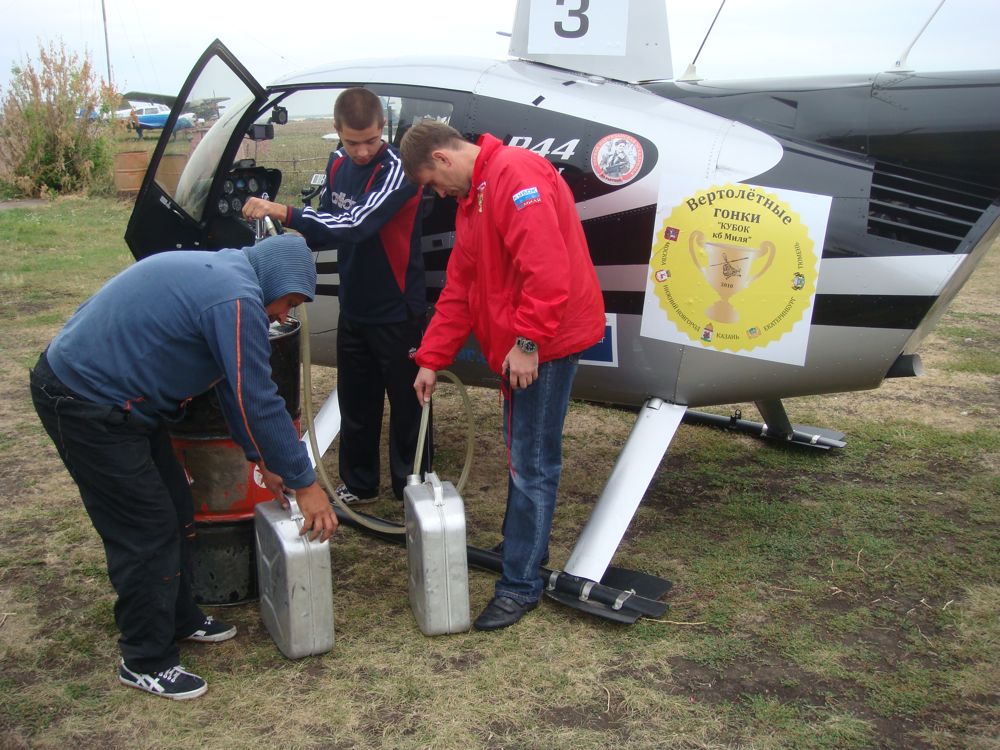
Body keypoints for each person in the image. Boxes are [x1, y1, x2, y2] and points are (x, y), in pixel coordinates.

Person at [29, 234, 337, 700]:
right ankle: (145, 659)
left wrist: (263, 458)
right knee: (146, 529)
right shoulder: (235, 298)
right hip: (83, 401)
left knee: (176, 507)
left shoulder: (230, 279)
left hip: (126, 402)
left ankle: (178, 617)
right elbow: (257, 398)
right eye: (289, 302)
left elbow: (231, 385)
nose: (284, 315)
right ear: (274, 280)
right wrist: (305, 483)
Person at [399, 121, 606, 631]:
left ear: (443, 158)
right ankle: (523, 547)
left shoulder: (514, 176)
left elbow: (547, 270)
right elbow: (461, 285)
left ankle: (520, 584)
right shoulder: (476, 196)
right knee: (521, 452)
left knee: (531, 461)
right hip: (524, 346)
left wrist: (529, 343)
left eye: (433, 183)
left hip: (545, 345)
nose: (438, 194)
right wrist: (432, 357)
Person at [243, 87, 428, 506]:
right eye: (352, 142)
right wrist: (290, 235)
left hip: (398, 307)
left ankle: (413, 489)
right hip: (355, 303)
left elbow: (355, 224)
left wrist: (285, 212)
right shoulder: (338, 162)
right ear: (337, 131)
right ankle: (360, 485)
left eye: (371, 141)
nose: (361, 152)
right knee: (356, 399)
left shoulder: (398, 170)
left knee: (408, 404)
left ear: (383, 127)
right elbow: (328, 218)